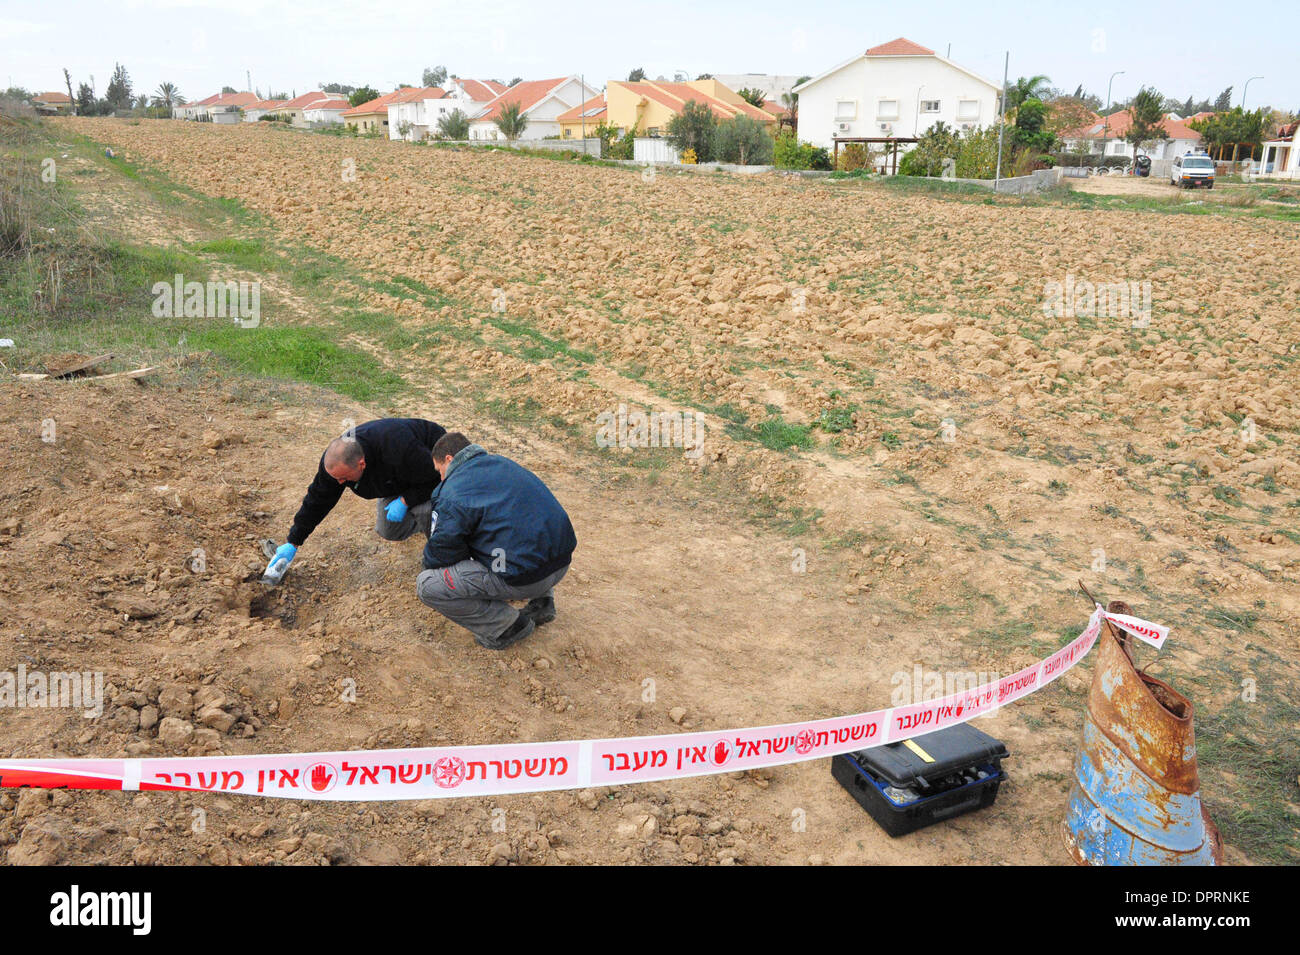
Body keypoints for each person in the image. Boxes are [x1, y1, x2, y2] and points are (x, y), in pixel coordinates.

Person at [417, 432, 576, 650]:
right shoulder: (503, 463)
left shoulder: (453, 491)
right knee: (512, 533)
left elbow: (442, 552)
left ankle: (507, 627)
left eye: (440, 471)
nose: (441, 478)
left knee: (428, 585)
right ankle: (543, 602)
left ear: (449, 460)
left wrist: (430, 563)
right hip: (561, 562)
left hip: (527, 578)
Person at [263, 417, 447, 578]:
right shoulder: (335, 465)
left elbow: (437, 476)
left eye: (344, 478)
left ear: (362, 464)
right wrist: (294, 541)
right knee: (389, 530)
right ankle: (421, 522)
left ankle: (443, 555)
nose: (340, 482)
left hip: (435, 467)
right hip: (398, 476)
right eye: (337, 479)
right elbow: (318, 499)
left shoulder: (397, 447)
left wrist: (406, 500)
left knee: (425, 510)